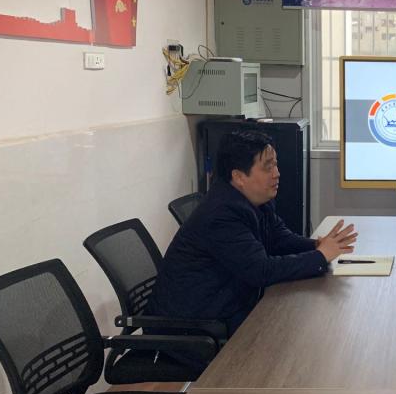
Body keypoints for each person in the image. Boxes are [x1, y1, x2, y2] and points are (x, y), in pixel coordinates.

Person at [150, 130, 357, 338]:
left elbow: (279, 238)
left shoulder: (254, 198)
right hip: (192, 328)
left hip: (224, 309)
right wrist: (320, 257)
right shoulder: (221, 215)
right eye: (268, 167)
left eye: (276, 164)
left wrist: (316, 246)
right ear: (239, 177)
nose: (277, 173)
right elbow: (261, 271)